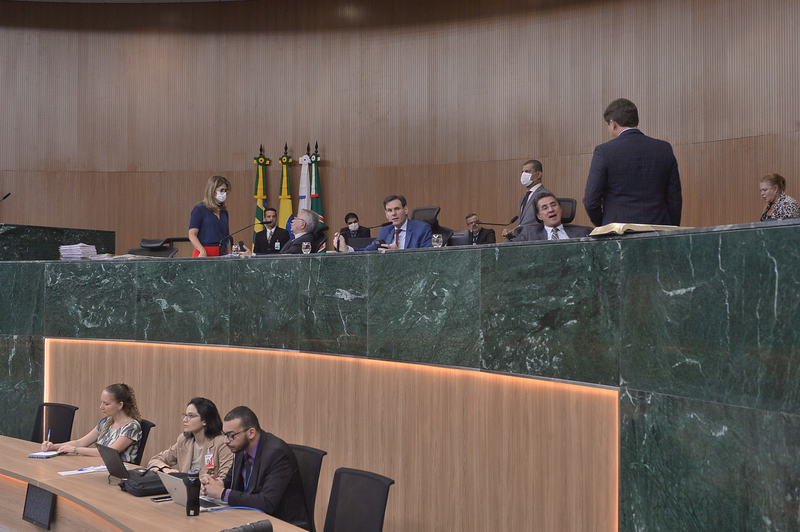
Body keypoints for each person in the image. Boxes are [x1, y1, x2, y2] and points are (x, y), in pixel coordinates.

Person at [199, 406, 309, 525]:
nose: (226, 441)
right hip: (249, 518)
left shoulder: (277, 454)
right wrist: (214, 484)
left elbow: (267, 503)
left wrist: (222, 493)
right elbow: (230, 482)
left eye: (231, 435)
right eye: (224, 434)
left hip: (280, 523)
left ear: (251, 433)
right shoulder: (241, 448)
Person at [583, 98, 682, 227]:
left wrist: (605, 225)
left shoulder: (604, 152)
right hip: (658, 229)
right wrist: (671, 228)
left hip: (619, 232)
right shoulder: (664, 149)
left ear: (613, 123)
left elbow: (591, 201)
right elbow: (674, 199)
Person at [41, 383, 142, 463]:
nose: (101, 407)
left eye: (106, 404)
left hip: (120, 475)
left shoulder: (132, 427)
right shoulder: (106, 422)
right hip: (99, 467)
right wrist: (53, 447)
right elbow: (81, 442)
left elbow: (109, 453)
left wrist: (75, 449)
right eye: (102, 402)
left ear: (120, 405)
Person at [147, 397, 233, 478]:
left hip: (208, 489)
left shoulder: (222, 442)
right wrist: (166, 469)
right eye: (185, 415)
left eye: (191, 416)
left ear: (205, 420)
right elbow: (155, 460)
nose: (185, 420)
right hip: (184, 487)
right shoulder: (184, 440)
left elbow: (226, 478)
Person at [334, 195, 432, 251]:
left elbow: (428, 258)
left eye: (397, 209)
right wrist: (347, 249)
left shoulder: (422, 229)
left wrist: (399, 254)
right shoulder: (385, 231)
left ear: (405, 210)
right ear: (386, 214)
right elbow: (368, 252)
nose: (393, 213)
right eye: (390, 210)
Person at [502, 160, 552, 240]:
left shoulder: (545, 195)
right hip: (522, 239)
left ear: (538, 174)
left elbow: (547, 223)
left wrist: (518, 230)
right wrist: (512, 232)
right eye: (522, 172)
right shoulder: (524, 198)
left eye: (527, 171)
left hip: (535, 240)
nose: (523, 175)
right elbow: (524, 224)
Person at [512, 193, 591, 241]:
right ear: (539, 216)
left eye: (553, 205)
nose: (551, 210)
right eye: (545, 208)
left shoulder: (582, 232)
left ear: (560, 209)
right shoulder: (530, 234)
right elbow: (508, 249)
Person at [189, 175, 232, 257]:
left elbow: (226, 237)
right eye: (221, 190)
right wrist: (201, 249)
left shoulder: (224, 212)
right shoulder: (199, 209)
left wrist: (229, 253)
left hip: (222, 252)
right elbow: (192, 234)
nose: (224, 193)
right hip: (204, 251)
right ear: (212, 190)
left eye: (225, 191)